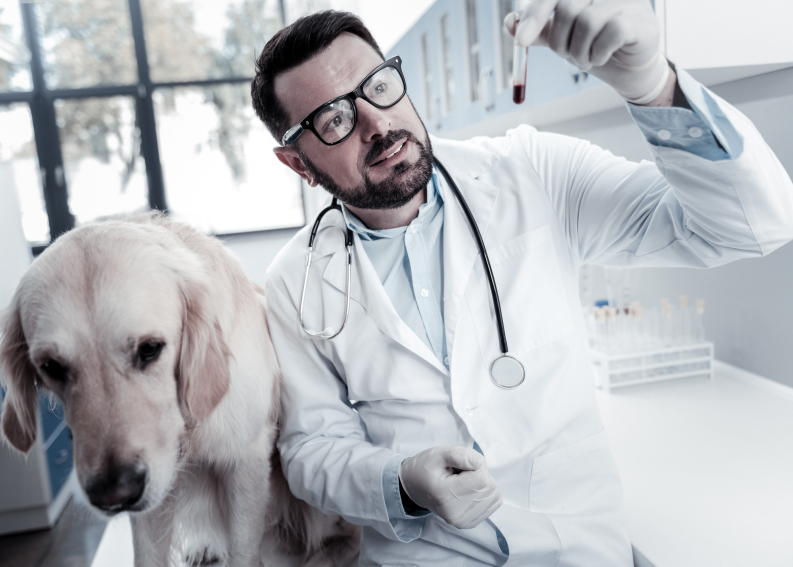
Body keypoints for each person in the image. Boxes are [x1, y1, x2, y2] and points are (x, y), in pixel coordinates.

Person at [250, 3, 793, 565]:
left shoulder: (532, 172)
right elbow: (311, 450)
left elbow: (750, 226)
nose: (377, 124)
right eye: (335, 120)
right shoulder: (296, 279)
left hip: (576, 548)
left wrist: (653, 83)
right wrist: (402, 482)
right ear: (298, 164)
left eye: (379, 86)